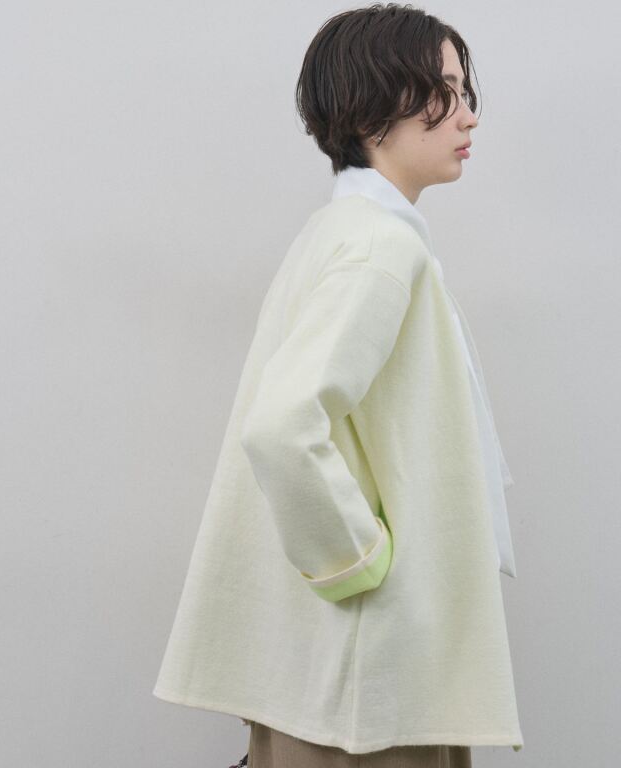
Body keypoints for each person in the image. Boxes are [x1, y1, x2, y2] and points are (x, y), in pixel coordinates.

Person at [153, 4, 524, 766]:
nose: (468, 115)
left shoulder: (342, 232)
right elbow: (282, 426)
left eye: (465, 92)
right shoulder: (378, 248)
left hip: (342, 675)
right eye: (443, 93)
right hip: (365, 685)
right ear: (370, 109)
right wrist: (357, 560)